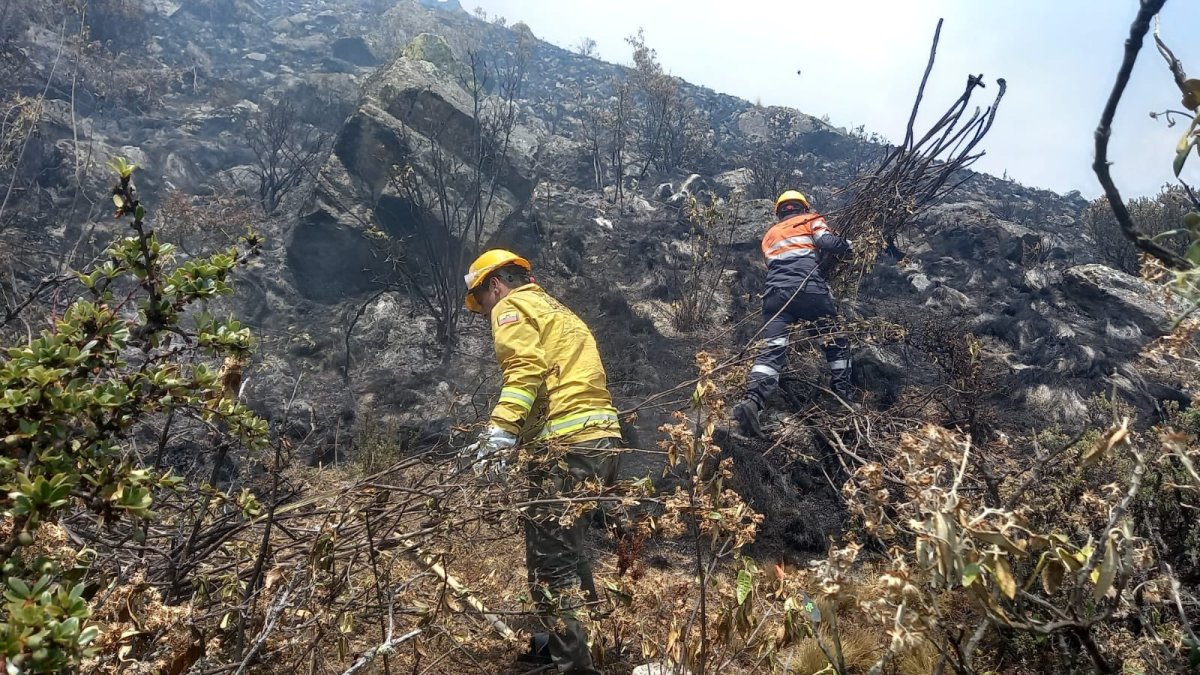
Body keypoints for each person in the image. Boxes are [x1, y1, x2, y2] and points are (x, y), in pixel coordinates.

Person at [463, 248, 622, 675]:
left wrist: (500, 431)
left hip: (565, 448)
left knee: (552, 566)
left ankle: (573, 667)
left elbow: (525, 369)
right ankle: (582, 649)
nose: (485, 315)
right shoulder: (560, 311)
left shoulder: (512, 306)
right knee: (571, 555)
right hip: (601, 442)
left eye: (482, 304)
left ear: (494, 285)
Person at [732, 190, 854, 437]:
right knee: (835, 341)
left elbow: (776, 263)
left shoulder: (769, 235)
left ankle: (753, 401)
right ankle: (844, 398)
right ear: (803, 207)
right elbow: (826, 242)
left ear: (779, 212)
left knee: (773, 349)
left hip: (775, 297)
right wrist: (850, 246)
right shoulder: (809, 219)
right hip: (808, 290)